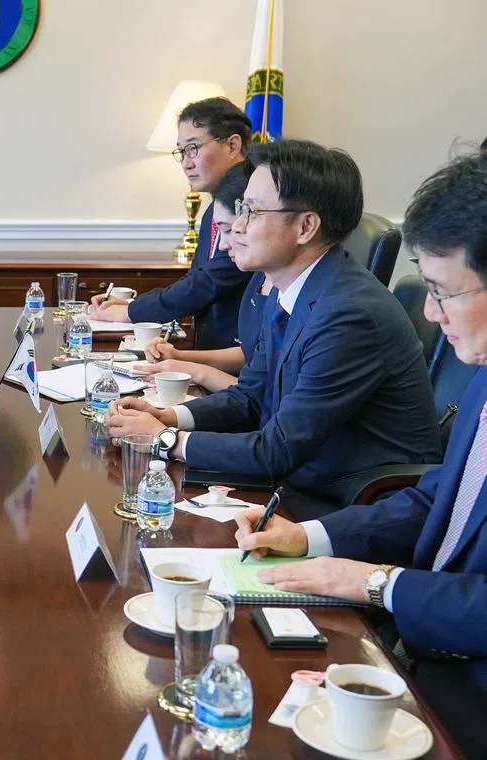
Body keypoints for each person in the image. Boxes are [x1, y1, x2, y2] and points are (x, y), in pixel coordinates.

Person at [231, 151, 487, 757]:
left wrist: (377, 584)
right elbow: (438, 499)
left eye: (443, 293)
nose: (430, 314)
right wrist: (311, 537)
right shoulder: (483, 372)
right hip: (426, 643)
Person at [107, 139, 441, 515]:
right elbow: (250, 397)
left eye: (251, 211)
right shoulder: (290, 288)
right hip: (297, 478)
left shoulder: (349, 314)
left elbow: (277, 449)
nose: (238, 227)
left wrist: (166, 440)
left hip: (348, 505)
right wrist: (166, 418)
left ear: (305, 227)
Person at [89, 97, 254, 349]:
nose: (187, 163)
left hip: (240, 360)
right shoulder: (213, 209)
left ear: (233, 145)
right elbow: (196, 276)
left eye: (193, 148)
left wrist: (131, 312)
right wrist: (134, 305)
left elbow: (208, 283)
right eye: (182, 152)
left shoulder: (250, 204)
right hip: (208, 353)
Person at [134, 161, 271, 393]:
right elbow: (250, 354)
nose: (224, 245)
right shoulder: (260, 280)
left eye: (230, 230)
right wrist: (179, 357)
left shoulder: (321, 304)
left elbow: (261, 398)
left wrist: (192, 369)